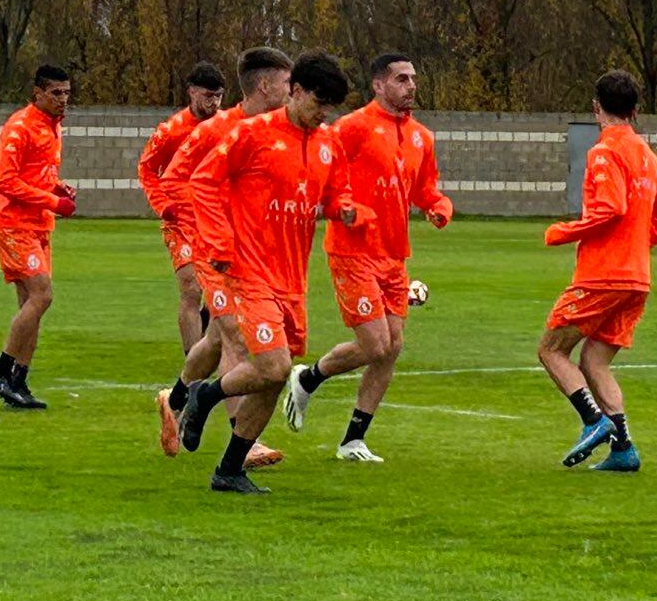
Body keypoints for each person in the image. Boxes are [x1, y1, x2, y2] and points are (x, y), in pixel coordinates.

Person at [175, 52, 358, 495]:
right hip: (247, 270)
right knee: (273, 366)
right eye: (318, 103)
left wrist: (345, 209)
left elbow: (337, 191)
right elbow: (203, 181)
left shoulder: (327, 142)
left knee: (275, 376)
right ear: (293, 91)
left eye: (330, 107)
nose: (323, 114)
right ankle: (205, 395)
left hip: (292, 277)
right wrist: (218, 243)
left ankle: (229, 470)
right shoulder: (251, 134)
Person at [279, 51, 453, 462]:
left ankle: (353, 440)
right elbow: (322, 180)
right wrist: (345, 207)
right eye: (401, 79)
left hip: (394, 255)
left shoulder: (421, 137)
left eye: (412, 78)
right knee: (376, 345)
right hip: (352, 250)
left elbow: (424, 189)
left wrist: (437, 204)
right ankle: (308, 377)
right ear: (378, 85)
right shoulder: (352, 128)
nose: (411, 86)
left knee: (391, 348)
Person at [152, 46, 293, 469]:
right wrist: (210, 234)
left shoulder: (275, 130)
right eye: (288, 84)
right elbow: (175, 180)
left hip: (256, 256)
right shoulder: (217, 129)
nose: (292, 92)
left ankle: (175, 397)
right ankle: (244, 444)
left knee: (214, 342)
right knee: (237, 339)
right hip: (218, 255)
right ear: (265, 85)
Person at [533, 69, 657, 473]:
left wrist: (564, 232)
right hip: (636, 278)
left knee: (551, 349)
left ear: (596, 107)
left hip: (603, 276)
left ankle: (593, 421)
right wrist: (635, 245)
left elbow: (611, 208)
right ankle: (624, 449)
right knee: (595, 362)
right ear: (635, 110)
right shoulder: (648, 156)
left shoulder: (604, 152)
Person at [0, 65, 75, 411]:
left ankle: (18, 382)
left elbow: (34, 174)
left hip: (39, 225)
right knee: (42, 296)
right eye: (56, 93)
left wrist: (56, 185)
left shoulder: (54, 128)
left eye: (67, 93)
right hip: (14, 224)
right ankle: (0, 368)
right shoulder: (20, 126)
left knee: (31, 306)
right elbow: (4, 181)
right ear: (38, 93)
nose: (63, 100)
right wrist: (53, 200)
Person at [138, 62, 228, 355]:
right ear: (191, 92)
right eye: (207, 95)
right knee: (191, 289)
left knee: (221, 291)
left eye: (218, 96)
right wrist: (163, 205)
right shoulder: (171, 131)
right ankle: (193, 367)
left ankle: (208, 345)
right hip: (180, 222)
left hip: (216, 222)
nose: (213, 102)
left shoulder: (228, 126)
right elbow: (147, 168)